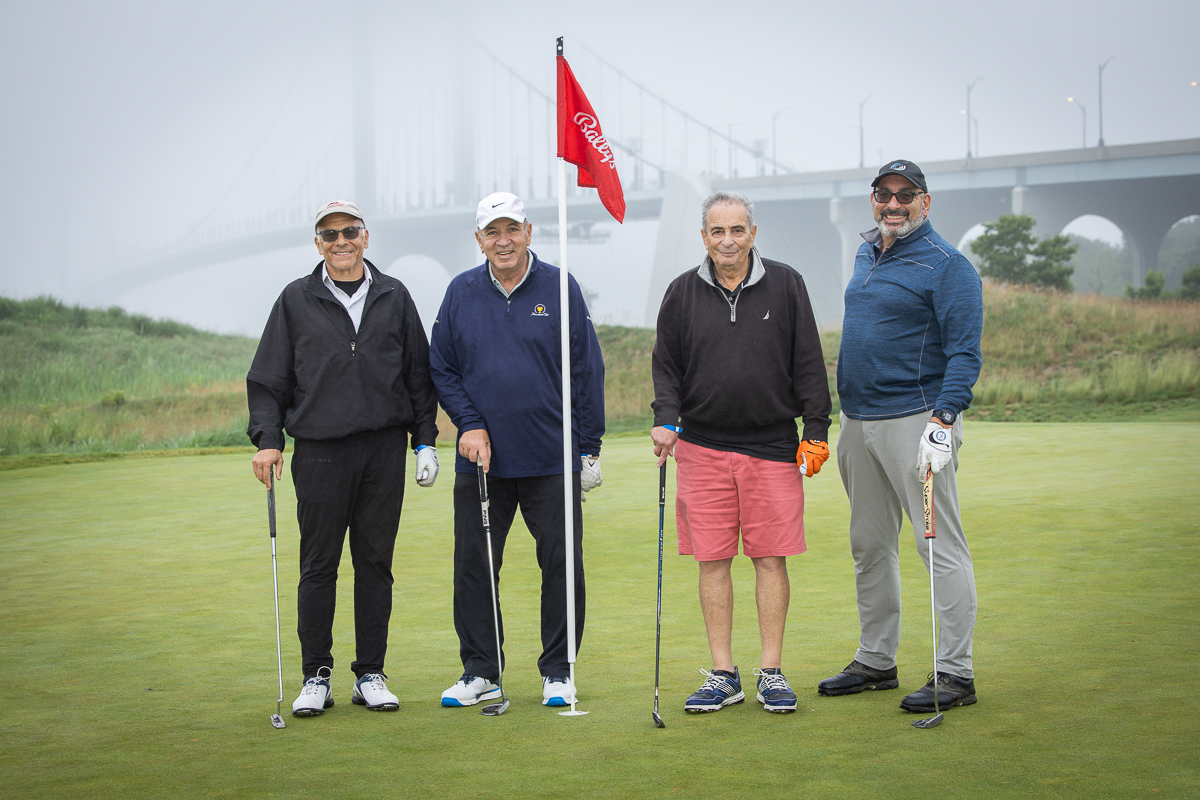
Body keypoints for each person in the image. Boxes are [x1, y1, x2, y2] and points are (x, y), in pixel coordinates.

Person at [247, 200, 440, 717]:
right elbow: (268, 378)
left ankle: (370, 674)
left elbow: (418, 377)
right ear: (318, 243)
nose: (341, 241)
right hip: (319, 451)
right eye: (329, 234)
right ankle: (316, 675)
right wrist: (268, 439)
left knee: (375, 564)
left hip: (383, 449)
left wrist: (424, 440)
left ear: (365, 237)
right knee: (319, 565)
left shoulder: (394, 295)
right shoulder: (295, 299)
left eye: (350, 231)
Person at [651, 191, 832, 714]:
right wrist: (666, 417)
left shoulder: (787, 283)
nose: (727, 240)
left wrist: (815, 428)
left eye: (736, 230)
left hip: (773, 447)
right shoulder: (681, 292)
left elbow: (808, 360)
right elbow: (667, 366)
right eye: (717, 231)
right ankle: (724, 674)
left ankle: (771, 671)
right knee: (712, 561)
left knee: (770, 559)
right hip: (702, 447)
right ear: (703, 237)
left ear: (753, 233)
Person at [429, 191, 605, 709]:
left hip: (551, 454)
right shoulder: (460, 291)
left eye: (512, 229)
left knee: (561, 565)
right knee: (475, 566)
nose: (503, 241)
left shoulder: (560, 286)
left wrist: (589, 447)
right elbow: (442, 367)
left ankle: (558, 670)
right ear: (479, 239)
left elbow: (586, 369)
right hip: (481, 460)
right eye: (492, 232)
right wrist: (469, 423)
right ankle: (482, 670)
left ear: (529, 232)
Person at [819, 160, 983, 714]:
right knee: (869, 544)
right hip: (858, 420)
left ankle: (955, 672)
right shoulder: (866, 253)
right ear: (872, 200)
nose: (893, 204)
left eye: (905, 195)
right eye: (883, 194)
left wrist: (944, 420)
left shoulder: (948, 266)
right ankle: (876, 660)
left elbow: (964, 353)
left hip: (917, 421)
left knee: (938, 545)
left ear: (925, 202)